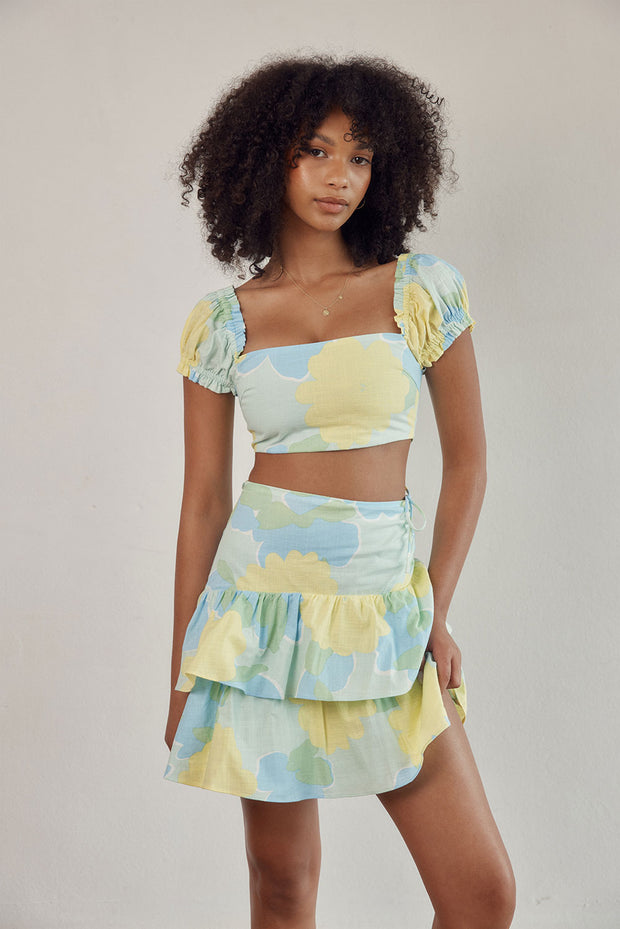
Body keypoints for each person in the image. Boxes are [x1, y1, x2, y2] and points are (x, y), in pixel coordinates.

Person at [163, 54, 516, 929]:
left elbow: (470, 462)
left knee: (481, 894)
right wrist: (183, 667)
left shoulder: (420, 290)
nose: (339, 177)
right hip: (259, 619)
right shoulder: (224, 321)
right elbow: (204, 500)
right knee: (282, 885)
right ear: (265, 159)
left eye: (359, 157)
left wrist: (435, 608)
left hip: (386, 610)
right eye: (316, 151)